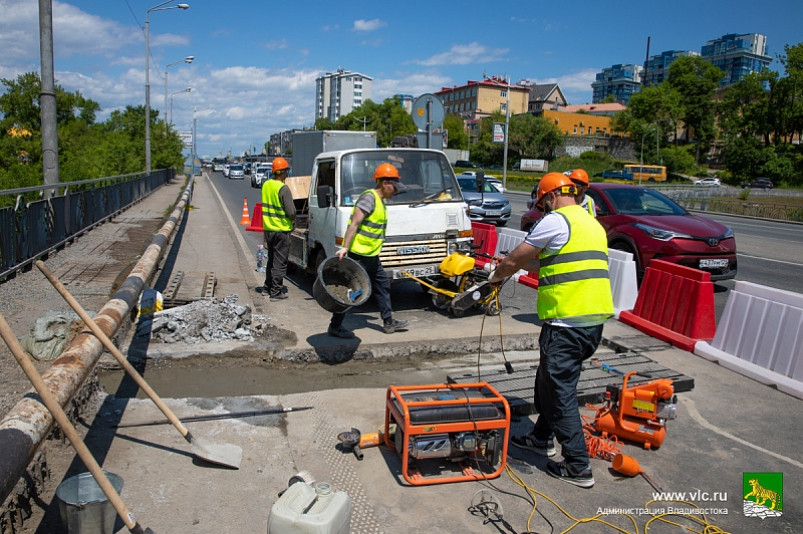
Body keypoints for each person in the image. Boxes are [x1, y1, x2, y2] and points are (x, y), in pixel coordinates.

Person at [487, 172, 613, 489]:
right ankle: (541, 437)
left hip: (565, 322)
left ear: (550, 198)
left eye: (543, 204)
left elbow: (518, 256)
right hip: (591, 322)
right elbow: (549, 264)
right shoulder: (591, 225)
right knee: (548, 380)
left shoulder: (556, 220)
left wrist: (497, 274)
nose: (543, 209)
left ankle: (578, 466)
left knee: (560, 392)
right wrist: (514, 264)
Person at [327, 163, 409, 338]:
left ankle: (388, 322)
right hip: (359, 255)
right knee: (354, 290)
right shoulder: (369, 198)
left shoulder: (380, 202)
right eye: (394, 188)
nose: (395, 192)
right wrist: (345, 248)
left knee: (382, 285)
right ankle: (335, 326)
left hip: (371, 255)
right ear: (384, 183)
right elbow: (354, 225)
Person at [260, 157, 295, 301]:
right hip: (281, 231)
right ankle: (275, 292)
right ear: (283, 172)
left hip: (268, 230)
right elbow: (291, 211)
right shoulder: (283, 188)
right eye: (286, 171)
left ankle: (267, 288)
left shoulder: (266, 185)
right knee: (280, 263)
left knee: (271, 260)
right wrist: (293, 220)